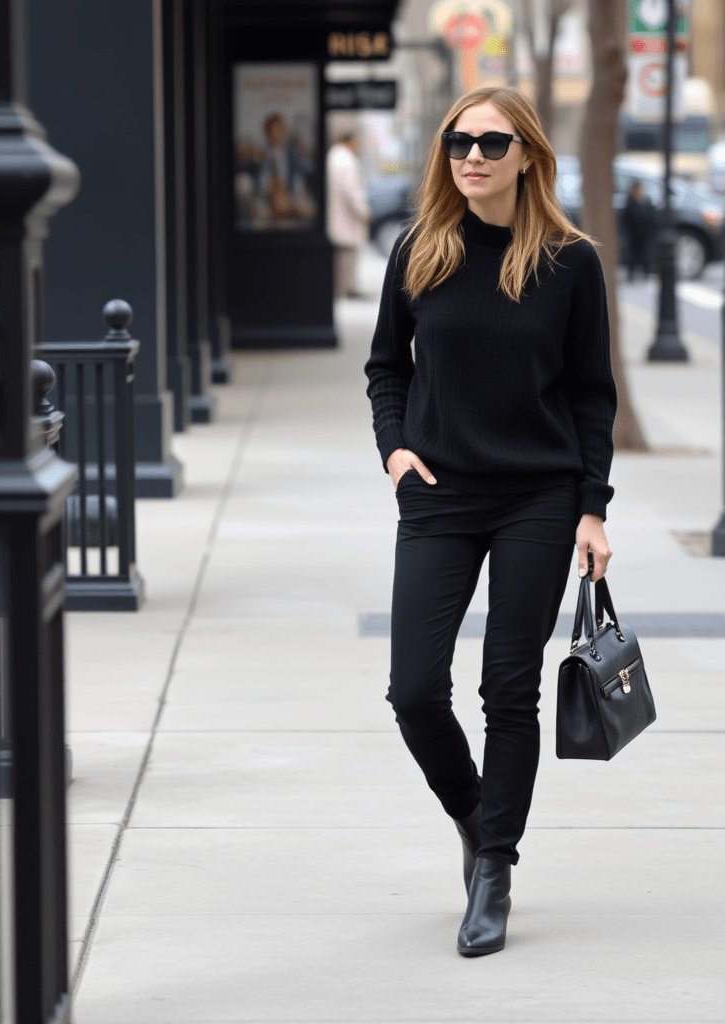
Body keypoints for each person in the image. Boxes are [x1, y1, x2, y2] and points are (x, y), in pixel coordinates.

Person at [364, 86, 617, 958]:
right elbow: (385, 368)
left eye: (491, 142)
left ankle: (495, 869)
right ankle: (478, 818)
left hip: (537, 499)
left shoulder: (570, 263)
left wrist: (592, 506)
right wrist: (395, 450)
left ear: (528, 156)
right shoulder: (418, 252)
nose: (471, 155)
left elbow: (591, 394)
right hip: (438, 493)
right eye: (457, 140)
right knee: (412, 692)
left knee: (510, 688)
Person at [326, 132, 371, 298]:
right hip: (346, 218)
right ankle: (346, 289)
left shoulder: (332, 156)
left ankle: (343, 288)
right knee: (346, 256)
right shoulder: (347, 160)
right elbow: (353, 191)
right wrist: (363, 211)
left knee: (340, 257)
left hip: (336, 216)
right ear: (350, 142)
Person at [621, 179, 655, 281]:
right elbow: (628, 218)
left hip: (644, 233)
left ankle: (644, 272)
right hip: (633, 233)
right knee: (633, 254)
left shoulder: (646, 201)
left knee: (644, 253)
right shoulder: (630, 201)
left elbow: (651, 217)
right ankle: (631, 273)